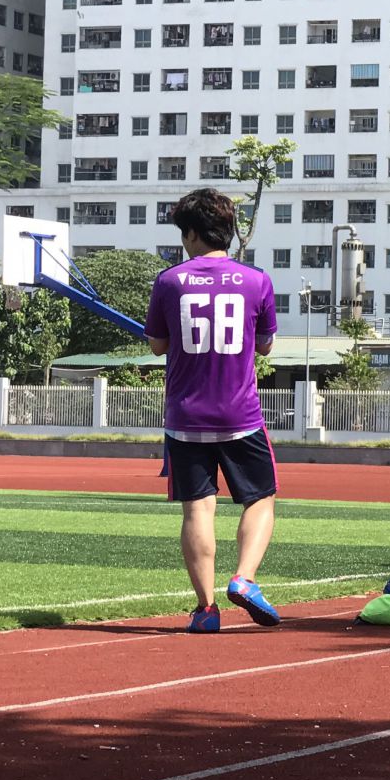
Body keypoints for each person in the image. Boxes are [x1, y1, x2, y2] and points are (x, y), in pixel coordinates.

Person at [144, 188, 281, 633]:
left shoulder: (169, 281)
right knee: (260, 498)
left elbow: (158, 344)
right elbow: (265, 345)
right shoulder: (256, 280)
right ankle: (244, 578)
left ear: (191, 233)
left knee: (197, 511)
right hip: (240, 415)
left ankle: (205, 610)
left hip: (185, 418)